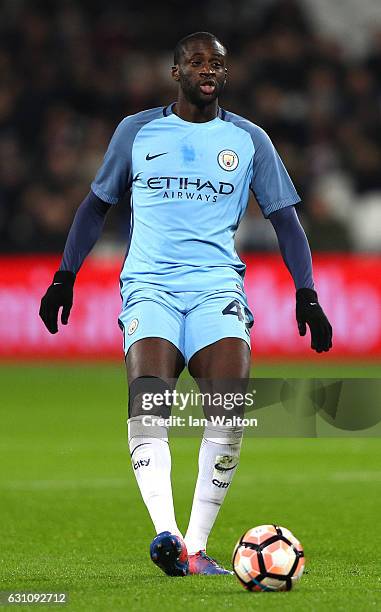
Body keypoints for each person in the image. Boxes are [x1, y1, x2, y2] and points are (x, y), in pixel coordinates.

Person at [39, 31, 332, 577]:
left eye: (216, 63)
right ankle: (166, 534)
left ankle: (193, 550)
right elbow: (94, 206)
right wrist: (64, 275)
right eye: (196, 61)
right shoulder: (137, 132)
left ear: (226, 74)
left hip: (217, 288)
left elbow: (286, 221)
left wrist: (307, 292)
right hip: (150, 285)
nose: (207, 69)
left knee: (229, 409)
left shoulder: (249, 140)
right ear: (175, 71)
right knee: (149, 402)